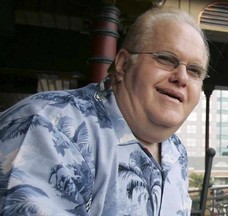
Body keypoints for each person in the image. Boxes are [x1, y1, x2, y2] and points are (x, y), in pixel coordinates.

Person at [0, 6, 209, 216]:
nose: (181, 77)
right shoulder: (51, 127)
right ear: (123, 64)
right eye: (165, 58)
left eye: (194, 71)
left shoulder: (176, 151)